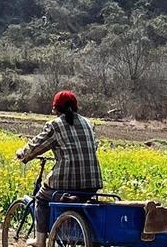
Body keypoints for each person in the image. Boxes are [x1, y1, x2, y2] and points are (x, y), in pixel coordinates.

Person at [16, 90, 103, 247]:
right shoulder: (88, 123)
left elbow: (36, 146)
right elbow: (93, 147)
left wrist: (22, 154)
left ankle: (40, 240)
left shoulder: (55, 125)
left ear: (56, 109)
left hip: (66, 182)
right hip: (92, 182)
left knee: (41, 198)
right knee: (74, 200)